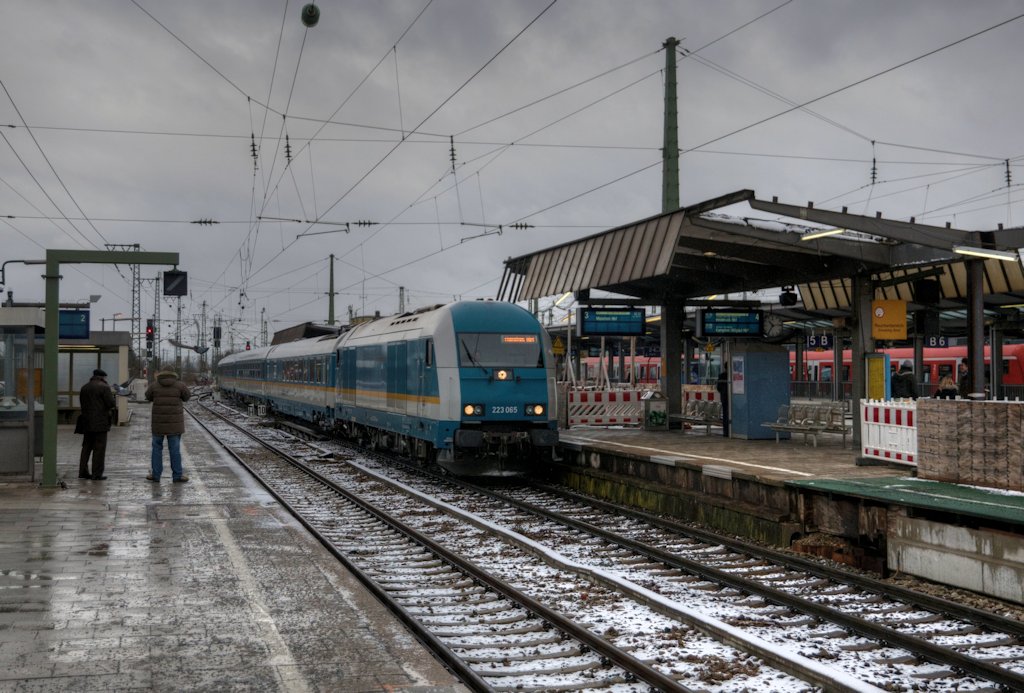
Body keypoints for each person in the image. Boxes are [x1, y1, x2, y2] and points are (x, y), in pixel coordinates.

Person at [145, 370, 191, 482]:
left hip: (158, 424)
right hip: (175, 425)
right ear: (174, 374)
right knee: (175, 450)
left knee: (156, 449)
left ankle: (156, 475)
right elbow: (187, 397)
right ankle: (177, 476)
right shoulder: (180, 385)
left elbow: (148, 396)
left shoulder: (154, 385)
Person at [78, 368, 116, 480]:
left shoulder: (84, 387)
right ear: (102, 377)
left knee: (86, 447)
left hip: (86, 422)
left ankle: (82, 472)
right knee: (99, 448)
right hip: (100, 423)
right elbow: (111, 403)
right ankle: (96, 474)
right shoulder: (104, 387)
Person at [715, 370, 730, 437]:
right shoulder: (731, 375)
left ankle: (726, 431)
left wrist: (723, 392)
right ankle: (730, 431)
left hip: (724, 397)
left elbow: (718, 387)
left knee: (725, 414)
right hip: (731, 398)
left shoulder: (721, 375)